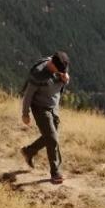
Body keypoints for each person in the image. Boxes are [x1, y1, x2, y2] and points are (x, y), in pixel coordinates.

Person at [20, 51, 71, 185]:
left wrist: (66, 78)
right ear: (52, 64)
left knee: (50, 136)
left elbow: (65, 79)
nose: (61, 72)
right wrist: (25, 114)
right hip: (40, 107)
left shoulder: (61, 65)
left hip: (54, 106)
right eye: (59, 70)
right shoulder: (38, 73)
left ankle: (28, 151)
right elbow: (28, 95)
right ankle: (56, 172)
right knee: (53, 138)